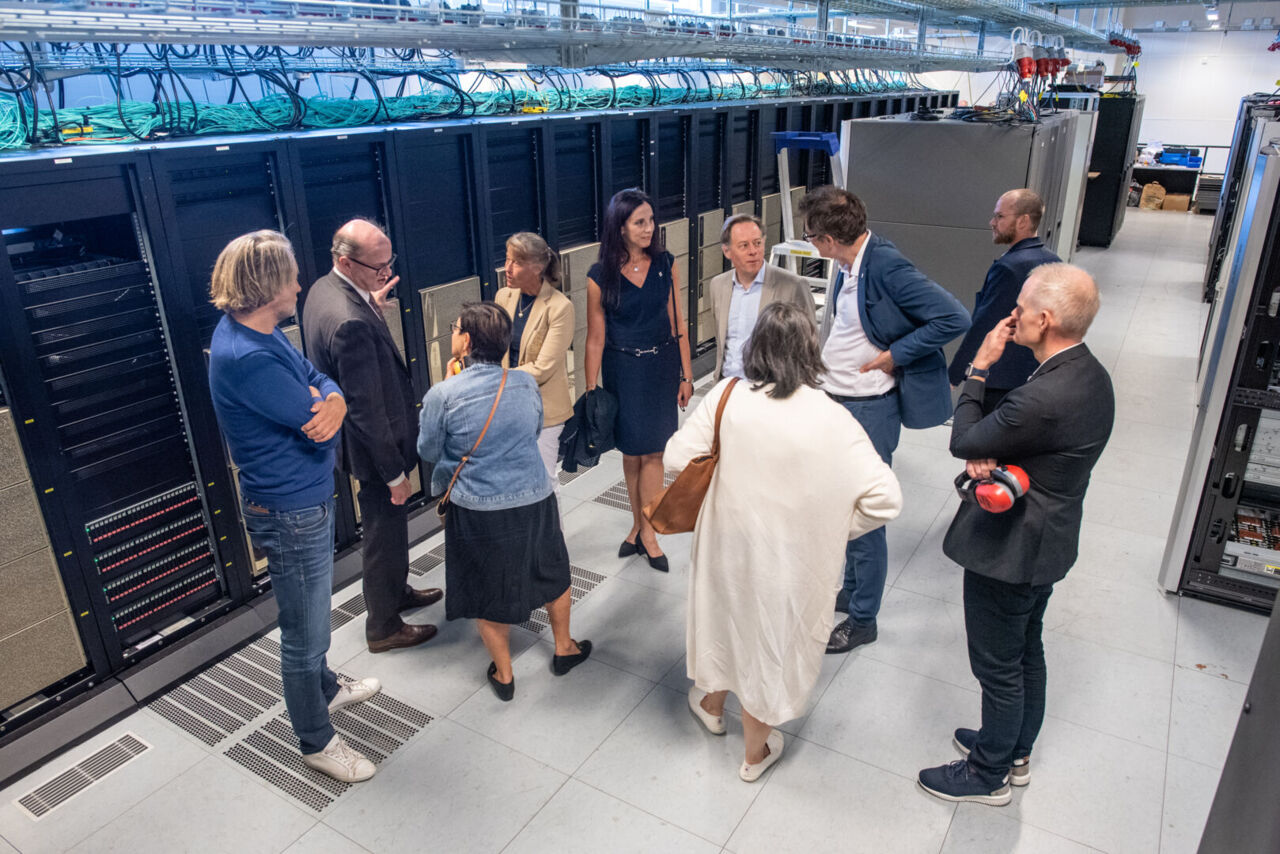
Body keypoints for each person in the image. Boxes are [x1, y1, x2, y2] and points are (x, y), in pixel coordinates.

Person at [668, 302, 901, 782]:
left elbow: (676, 458)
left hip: (726, 545)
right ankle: (754, 755)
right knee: (769, 644)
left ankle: (711, 706)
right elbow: (886, 499)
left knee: (725, 622)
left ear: (755, 347)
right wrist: (832, 525)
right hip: (791, 560)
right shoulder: (832, 417)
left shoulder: (728, 395)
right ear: (811, 351)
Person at [917, 263, 1114, 806]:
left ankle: (988, 774)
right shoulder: (1090, 374)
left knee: (998, 666)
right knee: (1026, 649)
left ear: (1044, 320)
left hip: (1012, 551)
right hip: (1051, 540)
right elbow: (1013, 441)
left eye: (1021, 307)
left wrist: (979, 368)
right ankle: (1013, 749)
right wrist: (995, 447)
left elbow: (963, 440)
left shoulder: (1040, 398)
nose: (1013, 315)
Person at [208, 230, 381, 783]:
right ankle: (315, 740)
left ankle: (325, 690)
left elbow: (316, 379)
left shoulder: (259, 333)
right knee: (305, 636)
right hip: (290, 510)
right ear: (266, 288)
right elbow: (316, 429)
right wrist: (328, 410)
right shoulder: (247, 357)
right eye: (291, 278)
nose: (300, 285)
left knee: (312, 619)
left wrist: (333, 400)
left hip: (301, 500)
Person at [798, 185, 970, 654]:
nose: (811, 243)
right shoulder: (847, 265)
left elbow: (954, 317)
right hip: (839, 401)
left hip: (868, 409)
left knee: (865, 512)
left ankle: (863, 619)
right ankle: (853, 589)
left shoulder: (886, 265)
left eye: (811, 236)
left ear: (830, 238)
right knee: (842, 507)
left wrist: (895, 355)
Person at [417, 302, 591, 701]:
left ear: (466, 342)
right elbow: (533, 429)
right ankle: (564, 648)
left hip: (479, 508)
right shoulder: (524, 383)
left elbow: (427, 450)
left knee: (488, 587)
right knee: (551, 570)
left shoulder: (443, 394)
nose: (453, 333)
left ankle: (505, 672)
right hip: (535, 497)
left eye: (455, 328)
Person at [303, 218, 441, 655]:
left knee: (391, 530)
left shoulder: (324, 291)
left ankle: (395, 593)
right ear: (346, 261)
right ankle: (383, 626)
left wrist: (371, 305)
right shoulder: (350, 322)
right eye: (378, 267)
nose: (387, 273)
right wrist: (395, 473)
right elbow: (366, 411)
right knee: (383, 534)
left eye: (388, 262)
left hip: (362, 444)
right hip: (375, 450)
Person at [584, 188, 694, 572]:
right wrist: (591, 391)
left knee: (655, 453)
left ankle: (649, 532)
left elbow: (678, 322)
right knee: (632, 453)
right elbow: (595, 337)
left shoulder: (666, 264)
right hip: (623, 370)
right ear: (621, 227)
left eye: (651, 221)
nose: (649, 229)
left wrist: (686, 374)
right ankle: (637, 525)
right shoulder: (599, 276)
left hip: (661, 366)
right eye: (639, 222)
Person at [948, 189, 1062, 414]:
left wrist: (956, 373)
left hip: (999, 379)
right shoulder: (1054, 261)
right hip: (1035, 374)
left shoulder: (1009, 268)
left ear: (1023, 221)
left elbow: (985, 324)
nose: (992, 222)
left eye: (1000, 216)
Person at [494, 232, 574, 485]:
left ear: (538, 267)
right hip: (508, 404)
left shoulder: (559, 307)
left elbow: (543, 368)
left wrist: (495, 378)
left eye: (516, 262)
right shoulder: (503, 296)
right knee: (513, 478)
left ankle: (552, 515)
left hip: (543, 410)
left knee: (543, 480)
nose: (507, 268)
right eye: (507, 259)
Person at [709, 214, 817, 381]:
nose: (753, 251)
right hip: (729, 386)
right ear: (727, 251)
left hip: (773, 388)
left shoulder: (793, 286)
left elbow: (810, 347)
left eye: (757, 243)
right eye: (744, 246)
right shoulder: (718, 285)